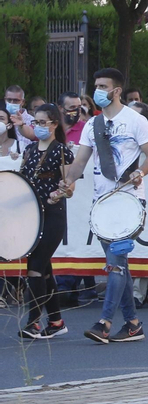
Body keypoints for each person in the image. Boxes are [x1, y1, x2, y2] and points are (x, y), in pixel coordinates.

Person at [62, 68, 148, 344]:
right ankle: (132, 324)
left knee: (115, 264)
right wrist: (68, 181)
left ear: (117, 91)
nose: (98, 91)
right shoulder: (93, 125)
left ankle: (103, 323)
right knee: (119, 264)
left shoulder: (135, 120)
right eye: (96, 86)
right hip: (101, 203)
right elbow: (80, 161)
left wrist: (139, 173)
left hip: (128, 201)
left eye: (103, 86)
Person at [18, 103, 71, 340]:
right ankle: (56, 321)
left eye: (43, 123)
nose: (38, 127)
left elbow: (70, 188)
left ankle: (33, 323)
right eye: (35, 122)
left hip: (52, 216)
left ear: (54, 124)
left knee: (35, 268)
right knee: (45, 270)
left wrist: (57, 193)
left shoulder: (62, 151)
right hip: (33, 217)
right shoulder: (29, 150)